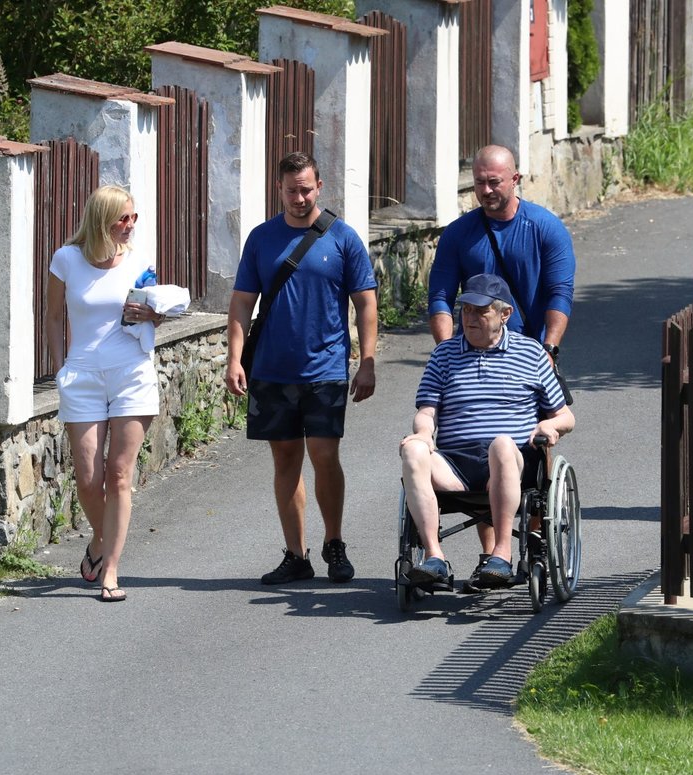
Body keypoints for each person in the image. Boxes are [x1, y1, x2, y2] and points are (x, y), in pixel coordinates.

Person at [427, 144, 576, 588]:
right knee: (475, 432)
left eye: (495, 182)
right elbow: (439, 295)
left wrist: (547, 349)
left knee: (531, 440)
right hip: (469, 349)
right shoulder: (459, 235)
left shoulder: (545, 228)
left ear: (516, 179)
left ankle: (527, 537)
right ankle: (492, 552)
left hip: (529, 351)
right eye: (479, 183)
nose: (487, 190)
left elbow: (559, 294)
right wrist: (447, 349)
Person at [225, 152, 378, 585]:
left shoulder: (342, 238)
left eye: (306, 189)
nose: (299, 197)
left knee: (325, 456)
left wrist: (367, 362)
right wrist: (234, 358)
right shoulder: (261, 238)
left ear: (320, 186)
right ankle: (297, 554)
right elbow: (241, 302)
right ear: (280, 189)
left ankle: (334, 542)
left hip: (326, 367)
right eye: (291, 190)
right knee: (285, 458)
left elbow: (365, 303)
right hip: (272, 370)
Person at [400, 274, 575, 590]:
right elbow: (426, 411)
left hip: (512, 460)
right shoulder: (444, 355)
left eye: (480, 311)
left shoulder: (532, 354)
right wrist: (424, 435)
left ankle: (501, 554)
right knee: (413, 450)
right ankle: (434, 557)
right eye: (465, 310)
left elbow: (565, 416)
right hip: (456, 464)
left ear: (504, 314)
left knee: (501, 444)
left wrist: (549, 425)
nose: (469, 318)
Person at [45, 185, 166, 602]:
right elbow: (53, 316)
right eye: (123, 219)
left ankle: (111, 570)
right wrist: (61, 364)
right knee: (87, 478)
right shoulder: (66, 259)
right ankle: (100, 541)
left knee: (118, 473)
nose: (130, 225)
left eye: (134, 217)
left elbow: (154, 314)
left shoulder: (138, 261)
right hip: (82, 376)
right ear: (101, 220)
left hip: (130, 370)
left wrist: (155, 314)